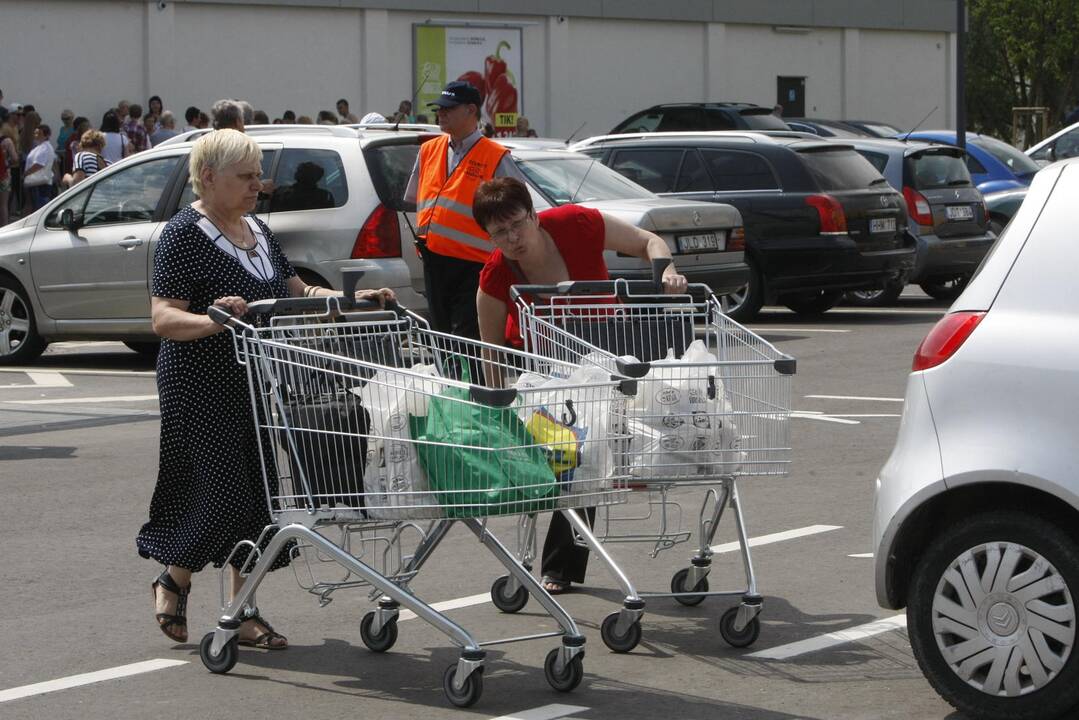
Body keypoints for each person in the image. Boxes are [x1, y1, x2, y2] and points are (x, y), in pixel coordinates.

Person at [137, 129, 394, 649]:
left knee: (258, 501)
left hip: (259, 380)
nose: (260, 185)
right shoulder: (184, 235)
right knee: (221, 494)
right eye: (247, 176)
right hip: (199, 384)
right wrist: (213, 321)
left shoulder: (258, 230)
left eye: (259, 174)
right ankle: (179, 581)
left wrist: (351, 301)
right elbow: (164, 318)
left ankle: (236, 607)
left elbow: (294, 290)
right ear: (209, 178)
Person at [472, 177, 687, 593]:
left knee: (606, 448)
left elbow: (648, 241)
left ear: (533, 215)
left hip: (605, 349)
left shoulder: (576, 223)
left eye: (517, 223)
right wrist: (500, 409)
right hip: (545, 368)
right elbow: (491, 352)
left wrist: (669, 272)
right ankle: (559, 567)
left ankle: (560, 565)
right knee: (578, 453)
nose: (512, 238)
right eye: (499, 233)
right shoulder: (496, 274)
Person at [402, 80, 527, 340]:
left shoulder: (494, 154)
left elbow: (520, 205)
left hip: (474, 265)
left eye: (448, 108)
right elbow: (417, 197)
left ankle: (469, 381)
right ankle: (451, 381)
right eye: (439, 109)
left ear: (471, 111)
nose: (441, 114)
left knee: (466, 338)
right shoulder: (429, 150)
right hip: (434, 260)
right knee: (441, 335)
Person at [23, 123, 56, 211]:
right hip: (36, 181)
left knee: (40, 206)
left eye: (39, 133)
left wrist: (26, 173)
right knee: (36, 205)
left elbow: (39, 164)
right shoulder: (40, 147)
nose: (36, 135)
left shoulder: (45, 147)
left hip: (40, 182)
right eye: (35, 133)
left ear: (46, 135)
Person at [0, 108, 16, 226]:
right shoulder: (7, 141)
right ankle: (4, 227)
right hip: (4, 175)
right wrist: (7, 164)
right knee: (3, 204)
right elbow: (15, 158)